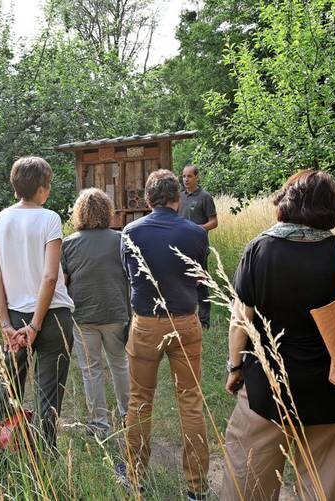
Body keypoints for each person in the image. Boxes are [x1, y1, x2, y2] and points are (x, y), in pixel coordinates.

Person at [222, 170, 335, 501]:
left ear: (286, 203)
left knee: (247, 481)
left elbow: (239, 321)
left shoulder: (259, 249)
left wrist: (235, 367)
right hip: (333, 390)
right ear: (332, 208)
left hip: (267, 392)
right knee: (321, 488)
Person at [121, 170, 210, 500]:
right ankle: (197, 486)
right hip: (185, 322)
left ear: (147, 199)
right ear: (178, 199)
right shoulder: (195, 233)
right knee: (191, 403)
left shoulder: (131, 231)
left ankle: (135, 478)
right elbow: (201, 277)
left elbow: (128, 275)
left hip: (145, 323)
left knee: (140, 401)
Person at [0, 156, 75, 450]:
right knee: (48, 396)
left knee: (8, 386)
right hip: (51, 317)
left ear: (16, 188)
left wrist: (5, 325)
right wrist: (36, 325)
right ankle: (45, 459)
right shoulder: (49, 218)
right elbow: (51, 276)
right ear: (42, 189)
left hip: (12, 315)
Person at [62, 188, 130, 435]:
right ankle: (128, 416)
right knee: (120, 363)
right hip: (116, 311)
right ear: (107, 211)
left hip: (83, 314)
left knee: (91, 371)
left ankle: (99, 423)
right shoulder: (121, 240)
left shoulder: (68, 244)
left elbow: (63, 282)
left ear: (79, 213)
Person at [179, 164, 218, 329]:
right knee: (181, 282)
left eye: (189, 176)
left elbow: (214, 222)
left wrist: (198, 228)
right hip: (179, 248)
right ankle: (184, 319)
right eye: (184, 176)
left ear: (197, 177)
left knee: (200, 284)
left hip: (198, 247)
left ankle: (204, 322)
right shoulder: (178, 197)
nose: (186, 179)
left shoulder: (205, 197)